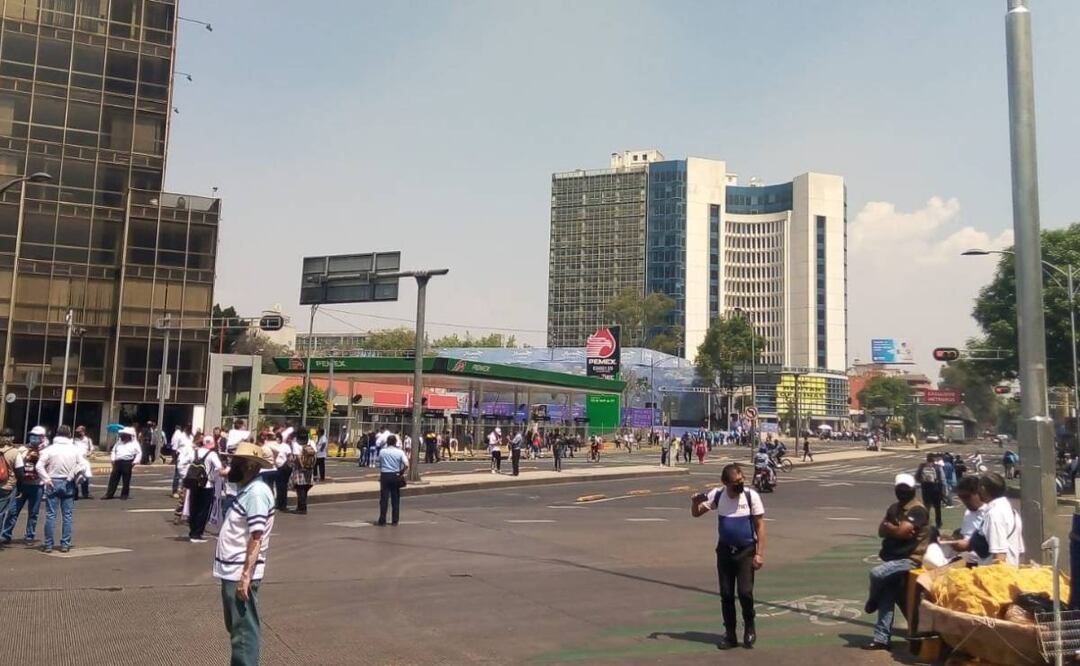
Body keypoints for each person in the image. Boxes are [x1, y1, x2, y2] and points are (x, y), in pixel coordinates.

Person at [691, 463, 767, 650]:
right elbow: (697, 513)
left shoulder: (751, 496)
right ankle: (730, 634)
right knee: (726, 594)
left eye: (741, 480)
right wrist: (694, 502)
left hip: (746, 552)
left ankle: (749, 625)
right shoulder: (718, 495)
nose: (739, 485)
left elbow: (760, 526)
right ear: (725, 483)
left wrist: (759, 554)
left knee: (745, 592)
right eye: (735, 482)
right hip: (725, 552)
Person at [215, 441, 275, 666]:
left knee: (243, 632)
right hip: (233, 568)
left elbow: (256, 537)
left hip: (240, 570)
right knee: (237, 627)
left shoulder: (256, 493)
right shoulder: (247, 490)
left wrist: (245, 576)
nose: (232, 467)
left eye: (237, 463)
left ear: (250, 466)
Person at [862, 473, 930, 651]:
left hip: (911, 559)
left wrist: (891, 528)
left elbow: (900, 532)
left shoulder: (918, 510)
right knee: (888, 598)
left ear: (913, 490)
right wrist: (895, 529)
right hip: (892, 557)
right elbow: (881, 530)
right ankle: (882, 639)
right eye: (900, 489)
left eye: (906, 489)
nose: (902, 492)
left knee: (877, 573)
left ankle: (872, 600)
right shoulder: (894, 508)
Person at [36, 426, 87, 554]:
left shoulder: (50, 449)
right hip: (68, 482)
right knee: (67, 515)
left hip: (52, 480)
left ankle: (48, 545)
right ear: (69, 435)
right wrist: (72, 475)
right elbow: (83, 464)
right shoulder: (74, 449)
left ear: (57, 434)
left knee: (51, 515)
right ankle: (65, 544)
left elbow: (39, 466)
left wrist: (46, 479)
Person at [2, 427, 45, 545]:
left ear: (42, 438)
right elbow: (17, 465)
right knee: (13, 511)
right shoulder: (21, 449)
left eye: (36, 436)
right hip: (21, 485)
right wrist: (27, 456)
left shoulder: (45, 451)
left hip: (37, 486)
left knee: (33, 513)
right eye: (32, 436)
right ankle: (6, 535)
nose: (34, 438)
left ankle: (30, 536)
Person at [938, 476, 988, 565]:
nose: (964, 501)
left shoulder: (990, 513)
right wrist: (951, 540)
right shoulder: (968, 513)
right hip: (967, 561)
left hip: (984, 563)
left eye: (966, 496)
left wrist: (968, 546)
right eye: (961, 497)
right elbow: (966, 536)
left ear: (978, 493)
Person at [978, 472, 1023, 565]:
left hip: (997, 576)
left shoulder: (994, 514)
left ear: (983, 489)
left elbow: (999, 557)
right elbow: (1019, 550)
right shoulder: (1011, 510)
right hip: (1011, 572)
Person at [187, 436, 223, 542]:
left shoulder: (194, 452)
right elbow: (219, 467)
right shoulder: (212, 454)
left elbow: (184, 462)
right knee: (203, 510)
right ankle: (197, 534)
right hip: (207, 485)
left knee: (193, 508)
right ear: (212, 444)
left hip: (194, 483)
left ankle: (192, 532)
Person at [375, 434, 409, 526]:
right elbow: (406, 464)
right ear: (395, 442)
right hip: (395, 475)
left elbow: (379, 462)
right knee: (395, 498)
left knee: (384, 499)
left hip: (385, 475)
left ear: (387, 442)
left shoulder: (382, 451)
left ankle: (382, 520)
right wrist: (401, 472)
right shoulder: (400, 452)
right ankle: (395, 520)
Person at [103, 427, 141, 500]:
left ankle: (124, 495)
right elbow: (114, 450)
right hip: (117, 462)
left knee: (126, 479)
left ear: (129, 435)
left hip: (127, 462)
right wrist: (113, 459)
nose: (122, 435)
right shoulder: (119, 442)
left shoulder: (134, 444)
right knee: (113, 478)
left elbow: (139, 453)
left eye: (124, 434)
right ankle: (109, 494)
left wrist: (135, 462)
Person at [915, 453, 944, 529]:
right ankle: (938, 523)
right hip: (936, 489)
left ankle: (925, 522)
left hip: (926, 489)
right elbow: (942, 479)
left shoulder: (922, 466)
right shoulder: (937, 467)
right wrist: (942, 490)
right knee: (937, 508)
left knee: (927, 506)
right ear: (934, 459)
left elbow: (917, 477)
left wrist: (923, 481)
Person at [291, 430, 316, 515]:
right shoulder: (311, 442)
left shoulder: (296, 444)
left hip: (299, 469)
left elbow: (297, 457)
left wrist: (302, 466)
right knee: (305, 488)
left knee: (300, 488)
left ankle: (301, 508)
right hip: (309, 468)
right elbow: (315, 453)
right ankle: (303, 506)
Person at [0, 429, 17, 542]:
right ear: (12, 438)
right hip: (7, 485)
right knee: (2, 512)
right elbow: (20, 471)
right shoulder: (14, 452)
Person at [73, 425, 94, 500]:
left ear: (84, 432)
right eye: (77, 432)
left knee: (86, 477)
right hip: (75, 461)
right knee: (75, 478)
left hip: (84, 461)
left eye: (79, 432)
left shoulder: (88, 440)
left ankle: (86, 493)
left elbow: (91, 450)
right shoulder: (74, 440)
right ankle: (75, 494)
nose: (78, 433)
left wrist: (89, 454)